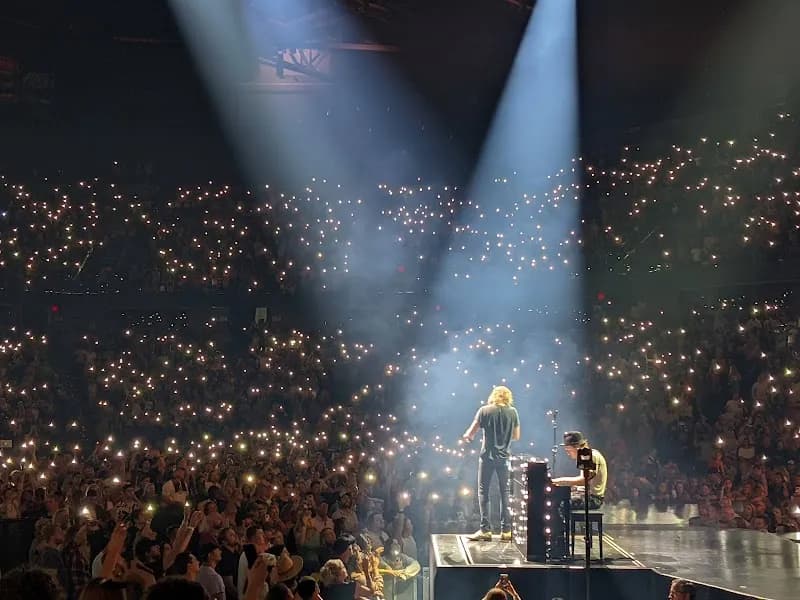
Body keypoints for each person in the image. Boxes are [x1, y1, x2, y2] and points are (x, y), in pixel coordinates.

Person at [461, 386, 521, 541]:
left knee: (484, 492)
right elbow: (516, 436)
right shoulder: (513, 412)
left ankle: (485, 530)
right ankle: (506, 531)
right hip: (505, 458)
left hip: (487, 457)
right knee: (505, 493)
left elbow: (470, 434)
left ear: (493, 396)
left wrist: (467, 437)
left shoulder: (484, 410)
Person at [552, 431, 608, 509]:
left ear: (577, 447)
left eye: (568, 450)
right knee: (560, 497)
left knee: (560, 503)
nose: (568, 454)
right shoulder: (588, 454)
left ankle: (563, 521)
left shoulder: (587, 455)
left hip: (593, 500)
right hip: (590, 496)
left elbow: (583, 481)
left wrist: (555, 481)